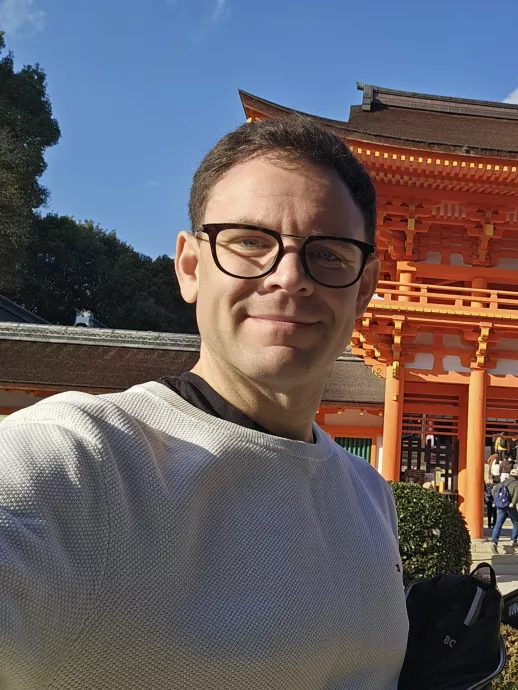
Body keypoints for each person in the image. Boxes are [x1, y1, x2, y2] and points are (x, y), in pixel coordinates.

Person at [0, 115, 410, 688]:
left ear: (365, 287)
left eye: (330, 254)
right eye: (249, 242)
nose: (290, 278)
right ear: (191, 266)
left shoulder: (370, 496)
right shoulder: (81, 460)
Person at [490, 468, 518, 553]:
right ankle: (513, 540)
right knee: (516, 522)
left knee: (498, 524)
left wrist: (496, 500)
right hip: (510, 506)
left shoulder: (504, 482)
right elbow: (516, 494)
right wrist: (513, 502)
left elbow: (494, 489)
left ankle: (494, 541)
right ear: (517, 476)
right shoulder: (517, 483)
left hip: (501, 506)